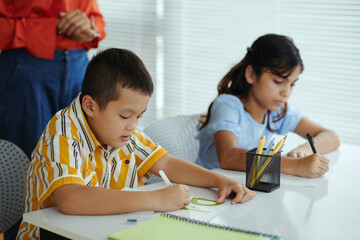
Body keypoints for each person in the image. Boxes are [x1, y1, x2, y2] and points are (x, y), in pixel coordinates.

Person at [16, 48, 256, 239]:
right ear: (90, 106)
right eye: (125, 116)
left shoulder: (122, 132)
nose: (132, 125)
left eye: (139, 116)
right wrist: (155, 199)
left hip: (103, 229)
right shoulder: (63, 133)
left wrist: (219, 180)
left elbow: (167, 163)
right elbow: (71, 199)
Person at [196, 34, 340, 178]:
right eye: (278, 81)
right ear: (251, 74)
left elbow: (331, 136)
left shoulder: (276, 111)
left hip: (242, 187)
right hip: (207, 188)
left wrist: (304, 150)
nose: (287, 92)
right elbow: (228, 157)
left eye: (292, 84)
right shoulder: (227, 105)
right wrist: (294, 165)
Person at [0, 0, 106, 160]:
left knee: (85, 159)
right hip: (27, 70)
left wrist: (91, 27)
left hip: (80, 69)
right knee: (27, 164)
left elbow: (96, 21)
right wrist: (52, 27)